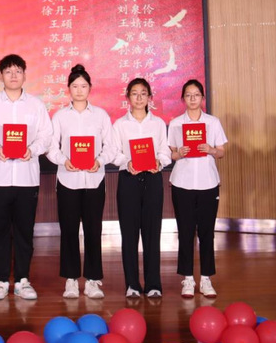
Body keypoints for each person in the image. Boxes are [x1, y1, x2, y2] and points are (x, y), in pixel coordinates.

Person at [0, 54, 53, 301]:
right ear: (0, 76)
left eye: (18, 71)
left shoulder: (36, 105)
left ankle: (22, 280)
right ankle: (0, 280)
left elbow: (46, 136)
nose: (13, 75)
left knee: (24, 230)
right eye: (8, 71)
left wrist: (33, 150)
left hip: (26, 178)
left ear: (24, 75)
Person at [46, 64, 117, 300]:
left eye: (83, 86)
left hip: (94, 180)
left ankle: (93, 280)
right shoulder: (60, 116)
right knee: (68, 230)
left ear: (90, 88)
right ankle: (71, 280)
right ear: (68, 88)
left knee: (93, 230)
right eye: (75, 86)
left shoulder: (101, 115)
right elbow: (51, 147)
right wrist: (63, 161)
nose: (79, 90)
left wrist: (100, 161)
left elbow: (111, 146)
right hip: (68, 180)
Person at [112, 77, 171, 299]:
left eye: (143, 93)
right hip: (129, 179)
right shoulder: (119, 125)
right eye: (134, 93)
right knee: (129, 234)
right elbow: (114, 153)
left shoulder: (158, 124)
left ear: (149, 97)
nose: (139, 98)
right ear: (128, 97)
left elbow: (165, 151)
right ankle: (132, 284)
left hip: (153, 179)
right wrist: (126, 162)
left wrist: (159, 162)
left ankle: (154, 283)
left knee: (152, 233)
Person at [168, 79, 228, 298]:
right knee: (185, 232)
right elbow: (171, 154)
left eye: (196, 95)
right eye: (188, 95)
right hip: (182, 184)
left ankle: (206, 278)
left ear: (202, 98)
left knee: (206, 232)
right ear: (183, 98)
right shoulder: (175, 123)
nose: (192, 99)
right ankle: (187, 278)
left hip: (208, 183)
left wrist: (211, 149)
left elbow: (221, 152)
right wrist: (179, 153)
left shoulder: (212, 122)